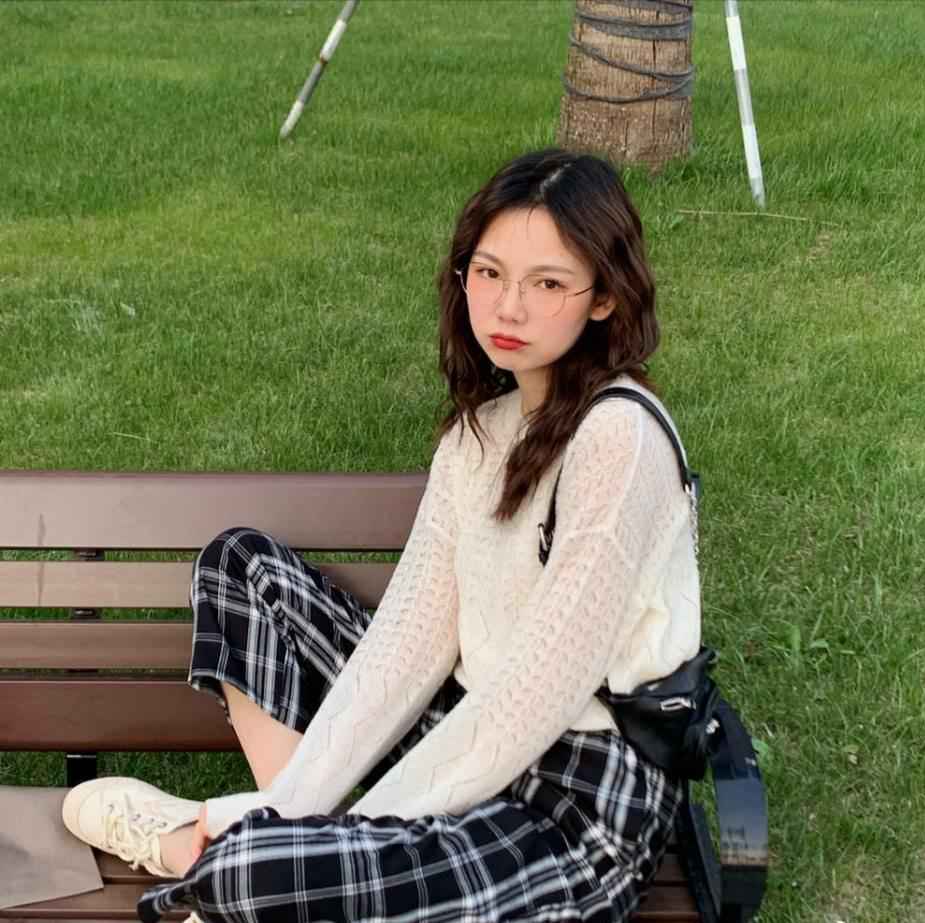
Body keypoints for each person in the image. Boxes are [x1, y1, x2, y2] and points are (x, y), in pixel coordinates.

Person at [62, 148, 701, 923]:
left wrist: (333, 834)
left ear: (604, 297)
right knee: (240, 568)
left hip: (575, 804)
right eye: (490, 272)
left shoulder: (619, 440)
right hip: (466, 726)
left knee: (254, 882)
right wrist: (291, 814)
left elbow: (531, 703)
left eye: (548, 284)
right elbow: (406, 645)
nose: (508, 308)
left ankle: (214, 853)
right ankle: (273, 850)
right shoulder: (479, 436)